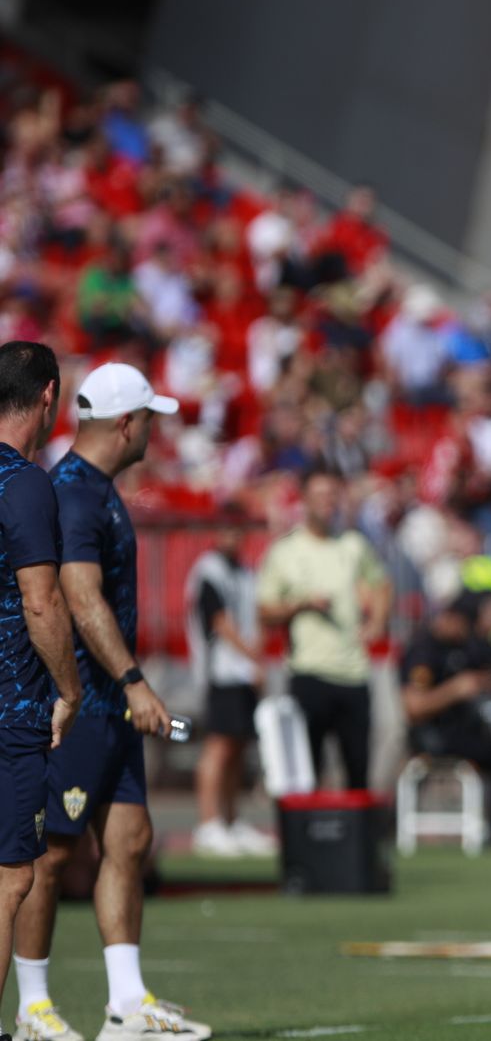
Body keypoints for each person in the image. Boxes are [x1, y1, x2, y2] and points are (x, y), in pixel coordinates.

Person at [11, 362, 213, 1040]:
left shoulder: (96, 489)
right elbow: (78, 594)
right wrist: (132, 682)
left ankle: (127, 1003)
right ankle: (33, 1005)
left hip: (110, 706)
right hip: (87, 702)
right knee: (54, 857)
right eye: (150, 416)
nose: (155, 428)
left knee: (130, 840)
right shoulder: (73, 493)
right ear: (126, 424)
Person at [0, 343, 81, 1036]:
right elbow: (41, 603)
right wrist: (69, 688)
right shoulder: (23, 483)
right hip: (9, 707)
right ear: (49, 398)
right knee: (9, 879)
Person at [257, 466, 391, 791]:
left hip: (353, 672)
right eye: (320, 496)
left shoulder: (353, 545)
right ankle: (309, 839)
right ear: (304, 500)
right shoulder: (285, 551)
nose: (328, 503)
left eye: (333, 495)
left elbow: (381, 584)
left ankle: (358, 839)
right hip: (309, 672)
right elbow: (265, 610)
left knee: (358, 771)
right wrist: (300, 605)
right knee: (307, 771)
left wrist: (376, 622)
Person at [399, 592, 491, 840]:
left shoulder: (470, 647)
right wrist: (456, 689)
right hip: (436, 735)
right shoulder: (425, 648)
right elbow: (413, 708)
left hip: (472, 729)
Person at [185, 524, 272, 859]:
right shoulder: (209, 572)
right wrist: (254, 656)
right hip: (220, 672)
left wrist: (254, 659)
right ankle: (208, 823)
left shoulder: (245, 572)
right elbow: (220, 623)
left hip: (243, 674)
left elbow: (254, 616)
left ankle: (231, 820)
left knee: (237, 747)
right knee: (218, 747)